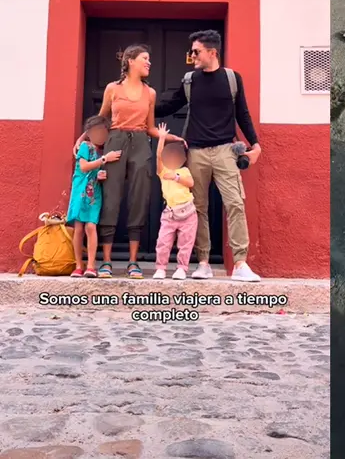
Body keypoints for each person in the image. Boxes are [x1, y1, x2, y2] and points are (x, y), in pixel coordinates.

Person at [156, 30, 262, 282]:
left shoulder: (232, 79)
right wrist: (140, 105)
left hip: (226, 149)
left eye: (196, 51)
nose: (192, 56)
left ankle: (240, 264)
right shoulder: (190, 80)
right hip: (196, 152)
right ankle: (202, 262)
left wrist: (256, 143)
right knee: (198, 208)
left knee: (235, 203)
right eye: (191, 51)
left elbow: (243, 114)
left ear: (212, 52)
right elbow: (170, 105)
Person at [77, 44, 183, 279]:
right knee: (111, 198)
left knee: (139, 198)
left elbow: (151, 127)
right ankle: (106, 261)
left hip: (140, 144)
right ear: (131, 61)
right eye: (145, 58)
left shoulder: (150, 93)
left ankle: (133, 261)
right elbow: (101, 118)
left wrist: (169, 137)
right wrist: (84, 138)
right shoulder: (113, 89)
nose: (149, 62)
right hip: (114, 141)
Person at [68, 116, 116, 278]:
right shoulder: (85, 146)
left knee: (90, 226)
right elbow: (83, 166)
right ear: (88, 133)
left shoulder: (99, 151)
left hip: (94, 194)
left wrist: (100, 175)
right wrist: (104, 160)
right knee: (79, 228)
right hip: (80, 193)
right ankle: (78, 265)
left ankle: (91, 265)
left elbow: (94, 171)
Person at [152, 122, 197, 280]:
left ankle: (182, 268)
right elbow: (158, 157)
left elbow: (191, 183)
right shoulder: (162, 170)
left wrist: (177, 177)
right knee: (163, 242)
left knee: (186, 243)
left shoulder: (184, 170)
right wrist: (162, 138)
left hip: (188, 212)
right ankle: (161, 268)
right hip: (170, 213)